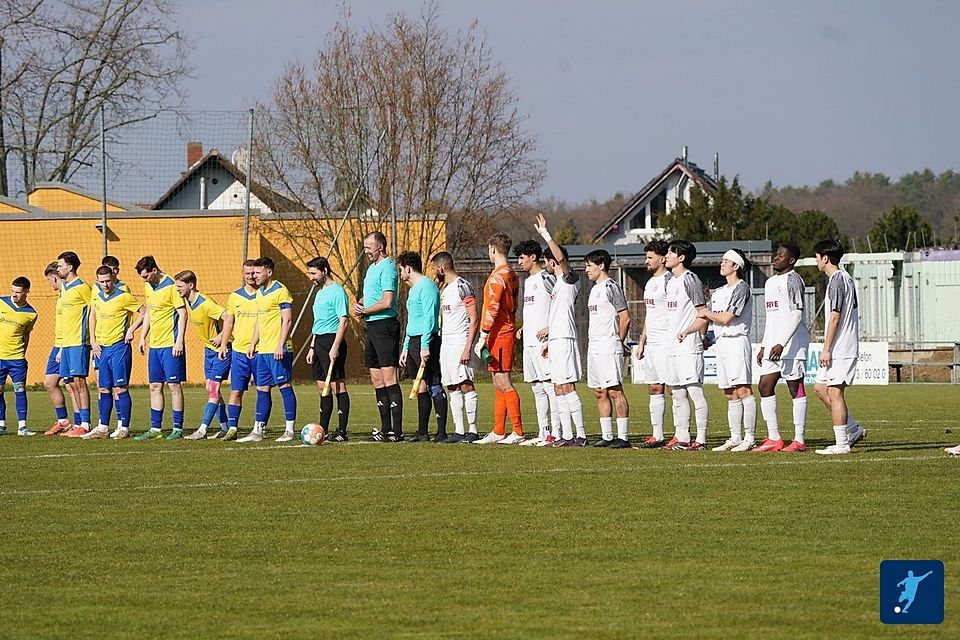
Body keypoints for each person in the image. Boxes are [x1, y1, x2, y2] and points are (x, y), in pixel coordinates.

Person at [536, 215, 587, 447]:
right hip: (555, 339)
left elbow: (560, 257)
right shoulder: (556, 285)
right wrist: (548, 337)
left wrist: (546, 235)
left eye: (548, 261)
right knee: (557, 387)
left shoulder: (570, 279)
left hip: (566, 338)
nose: (547, 265)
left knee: (567, 386)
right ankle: (566, 435)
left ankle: (582, 435)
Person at [699, 249, 756, 452]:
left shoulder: (742, 288)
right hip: (722, 343)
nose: (722, 263)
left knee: (743, 390)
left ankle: (749, 437)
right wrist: (694, 332)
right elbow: (711, 319)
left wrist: (705, 312)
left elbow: (725, 318)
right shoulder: (719, 291)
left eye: (726, 261)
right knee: (729, 392)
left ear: (736, 266)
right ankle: (735, 437)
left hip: (737, 341)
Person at [754, 243, 810, 452]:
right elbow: (772, 319)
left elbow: (796, 314)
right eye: (775, 255)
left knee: (795, 389)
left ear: (791, 260)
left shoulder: (794, 280)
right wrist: (764, 345)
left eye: (780, 256)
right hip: (773, 346)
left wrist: (781, 343)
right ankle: (774, 438)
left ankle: (799, 440)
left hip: (792, 345)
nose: (775, 258)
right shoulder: (770, 283)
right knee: (764, 386)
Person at [813, 239, 866, 455]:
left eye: (817, 257)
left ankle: (842, 444)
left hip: (841, 347)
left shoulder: (837, 280)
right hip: (839, 346)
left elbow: (835, 317)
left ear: (825, 258)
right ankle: (852, 429)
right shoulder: (844, 278)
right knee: (820, 388)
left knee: (835, 392)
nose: (817, 261)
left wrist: (826, 348)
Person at [238, 256, 297, 443]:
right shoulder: (260, 292)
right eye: (252, 272)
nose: (254, 276)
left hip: (277, 349)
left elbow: (287, 320)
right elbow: (259, 321)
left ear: (268, 272)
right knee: (262, 388)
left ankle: (289, 430)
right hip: (262, 350)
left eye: (257, 272)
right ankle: (258, 430)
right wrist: (253, 343)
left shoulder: (281, 291)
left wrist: (280, 344)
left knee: (284, 386)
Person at [473, 231, 524, 444]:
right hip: (504, 330)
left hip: (499, 333)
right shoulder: (512, 273)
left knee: (503, 381)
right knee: (497, 381)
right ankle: (498, 430)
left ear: (493, 249)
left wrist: (483, 336)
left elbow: (492, 308)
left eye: (489, 249)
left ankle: (518, 432)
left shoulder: (498, 276)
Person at [353, 232, 403, 442]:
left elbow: (387, 301)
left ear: (380, 247)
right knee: (375, 378)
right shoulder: (372, 269)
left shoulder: (388, 267)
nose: (366, 252)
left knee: (389, 376)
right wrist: (360, 303)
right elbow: (372, 295)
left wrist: (366, 311)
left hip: (385, 325)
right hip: (372, 326)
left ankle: (396, 432)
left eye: (368, 247)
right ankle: (384, 429)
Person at [133, 256, 187, 441]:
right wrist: (142, 337)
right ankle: (155, 429)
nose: (144, 280)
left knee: (173, 385)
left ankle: (177, 428)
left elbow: (182, 314)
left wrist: (179, 341)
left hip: (170, 345)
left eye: (146, 276)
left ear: (154, 271)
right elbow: (149, 311)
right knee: (155, 386)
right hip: (155, 346)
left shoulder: (172, 285)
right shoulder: (148, 286)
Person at [84, 266, 142, 439]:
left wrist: (131, 329)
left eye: (108, 281)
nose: (105, 284)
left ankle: (124, 427)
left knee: (120, 387)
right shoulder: (98, 297)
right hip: (101, 348)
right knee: (103, 388)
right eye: (101, 282)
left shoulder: (124, 296)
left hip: (119, 346)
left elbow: (144, 311)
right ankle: (103, 428)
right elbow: (92, 317)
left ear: (113, 278)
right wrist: (93, 340)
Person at [663, 239, 709, 450]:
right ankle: (682, 437)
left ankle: (700, 440)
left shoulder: (691, 280)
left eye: (670, 253)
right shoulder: (670, 281)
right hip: (673, 346)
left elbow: (703, 314)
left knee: (694, 392)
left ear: (681, 257)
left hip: (689, 345)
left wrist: (694, 333)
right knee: (677, 393)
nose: (666, 256)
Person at [513, 240, 559, 446]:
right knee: (536, 387)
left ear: (533, 257)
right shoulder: (528, 281)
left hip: (544, 343)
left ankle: (557, 433)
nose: (519, 262)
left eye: (522, 257)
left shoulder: (547, 278)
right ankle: (543, 431)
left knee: (549, 386)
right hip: (529, 342)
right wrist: (525, 327)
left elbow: (563, 302)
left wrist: (551, 326)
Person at [175, 270, 231, 440]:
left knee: (214, 389)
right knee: (211, 389)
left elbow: (228, 317)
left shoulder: (206, 303)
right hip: (208, 351)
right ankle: (225, 427)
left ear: (190, 285)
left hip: (222, 350)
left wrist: (221, 337)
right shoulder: (188, 302)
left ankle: (202, 430)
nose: (177, 289)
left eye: (180, 286)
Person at [584, 249, 632, 448]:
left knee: (614, 391)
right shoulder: (594, 289)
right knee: (599, 392)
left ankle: (623, 437)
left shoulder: (611, 287)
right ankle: (607, 436)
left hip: (608, 345)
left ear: (601, 265)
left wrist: (618, 341)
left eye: (589, 265)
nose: (586, 269)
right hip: (594, 346)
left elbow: (625, 317)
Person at [398, 251, 447, 442]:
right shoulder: (413, 289)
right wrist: (405, 347)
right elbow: (413, 320)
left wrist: (425, 344)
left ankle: (441, 431)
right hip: (414, 341)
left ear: (408, 268)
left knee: (434, 383)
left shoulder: (427, 287)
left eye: (401, 269)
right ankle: (422, 432)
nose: (400, 273)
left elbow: (429, 317)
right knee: (421, 386)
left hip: (427, 341)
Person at [431, 251, 480, 443]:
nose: (435, 273)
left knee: (465, 383)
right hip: (447, 343)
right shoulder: (445, 290)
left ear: (442, 268)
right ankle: (459, 431)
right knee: (452, 386)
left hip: (460, 342)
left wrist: (468, 346)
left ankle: (473, 430)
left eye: (435, 269)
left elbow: (474, 318)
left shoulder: (463, 286)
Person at [306, 256, 351, 442]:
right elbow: (318, 322)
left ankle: (342, 431)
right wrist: (311, 346)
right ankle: (322, 430)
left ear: (324, 271)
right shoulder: (319, 293)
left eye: (313, 273)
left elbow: (344, 320)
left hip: (333, 341)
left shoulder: (338, 291)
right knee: (322, 386)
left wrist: (335, 346)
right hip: (319, 343)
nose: (311, 277)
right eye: (310, 273)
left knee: (337, 385)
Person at [217, 260, 260, 441]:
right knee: (236, 391)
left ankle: (258, 428)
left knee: (262, 390)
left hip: (260, 350)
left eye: (253, 273)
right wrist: (223, 344)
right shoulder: (235, 297)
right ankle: (233, 428)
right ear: (242, 274)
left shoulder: (264, 295)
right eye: (247, 273)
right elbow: (229, 321)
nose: (251, 276)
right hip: (239, 351)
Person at [635, 240, 672, 448]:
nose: (646, 261)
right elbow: (650, 315)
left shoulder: (670, 280)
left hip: (668, 341)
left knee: (673, 389)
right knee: (654, 387)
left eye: (650, 257)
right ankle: (657, 435)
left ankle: (680, 434)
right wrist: (642, 342)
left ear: (662, 258)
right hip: (653, 343)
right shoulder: (650, 283)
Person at [55, 251, 94, 437]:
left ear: (70, 267)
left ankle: (85, 424)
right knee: (69, 382)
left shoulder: (83, 287)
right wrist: (61, 346)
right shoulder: (65, 288)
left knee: (79, 381)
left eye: (60, 265)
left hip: (79, 341)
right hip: (67, 343)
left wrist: (93, 338)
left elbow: (94, 311)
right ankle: (77, 422)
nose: (58, 268)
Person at [41, 262, 76, 436]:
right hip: (58, 344)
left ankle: (81, 423)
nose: (50, 284)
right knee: (49, 383)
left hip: (68, 344)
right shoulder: (62, 294)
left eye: (49, 280)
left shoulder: (72, 292)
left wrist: (64, 347)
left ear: (54, 277)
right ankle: (63, 421)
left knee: (71, 384)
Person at [0, 277, 38, 436]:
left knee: (20, 390)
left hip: (17, 359)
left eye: (18, 292)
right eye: (12, 291)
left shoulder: (31, 314)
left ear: (26, 292)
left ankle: (22, 427)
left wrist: (23, 352)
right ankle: (1, 424)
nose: (14, 295)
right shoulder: (1, 302)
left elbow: (26, 335)